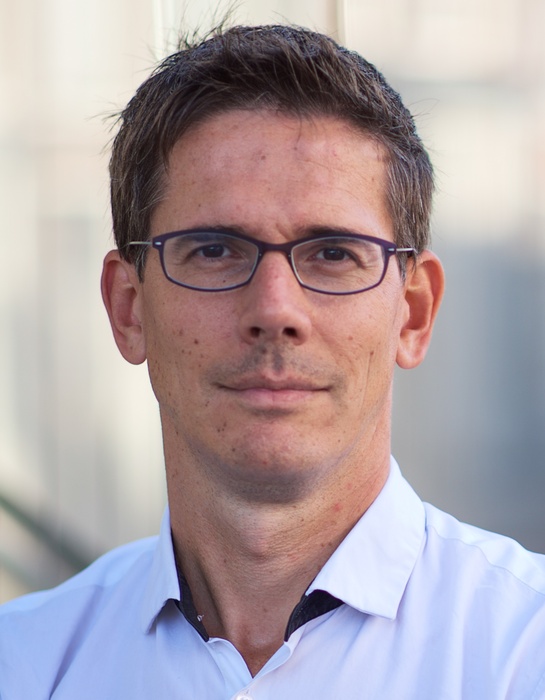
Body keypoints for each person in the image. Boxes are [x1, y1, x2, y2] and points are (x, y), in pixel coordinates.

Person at [1, 23, 544, 700]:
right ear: (128, 308)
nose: (275, 309)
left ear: (412, 313)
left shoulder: (527, 648)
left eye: (333, 253)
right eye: (214, 250)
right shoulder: (21, 665)